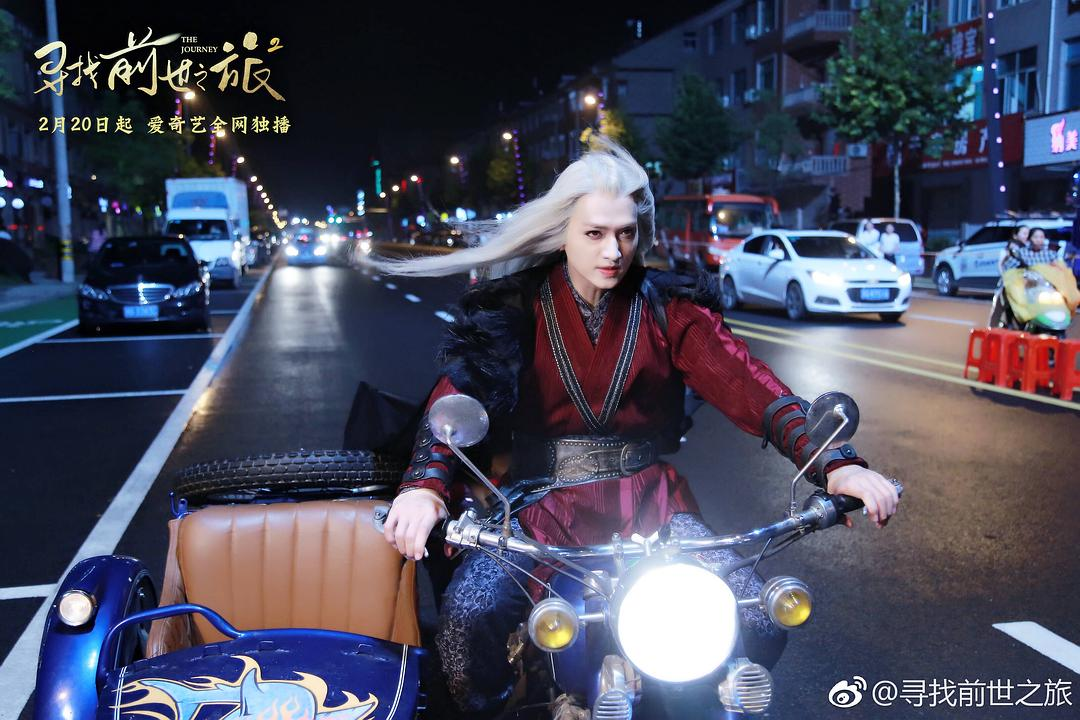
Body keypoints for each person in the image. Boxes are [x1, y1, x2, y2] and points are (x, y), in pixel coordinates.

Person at [373, 141, 901, 718]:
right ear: (562, 233)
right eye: (595, 233)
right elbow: (457, 397)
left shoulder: (669, 309)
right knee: (469, 616)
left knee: (755, 615)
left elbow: (754, 387)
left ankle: (723, 695)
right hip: (536, 508)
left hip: (653, 509)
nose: (613, 250)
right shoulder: (514, 308)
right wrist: (423, 488)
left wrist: (836, 463)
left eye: (625, 233)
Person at [989, 225, 1029, 327]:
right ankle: (991, 329)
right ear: (1015, 235)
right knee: (999, 306)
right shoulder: (1008, 250)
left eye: (1028, 234)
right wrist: (1004, 277)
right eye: (1024, 233)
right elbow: (1000, 265)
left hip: (1022, 286)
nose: (1026, 236)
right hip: (1007, 284)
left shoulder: (1027, 250)